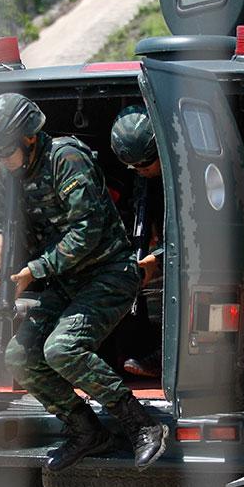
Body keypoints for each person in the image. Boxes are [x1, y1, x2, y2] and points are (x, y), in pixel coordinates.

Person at [0, 93, 167, 473]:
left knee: (63, 349)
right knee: (20, 357)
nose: (2, 160)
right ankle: (85, 429)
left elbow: (87, 232)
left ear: (28, 138)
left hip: (108, 273)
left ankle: (141, 424)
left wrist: (34, 272)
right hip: (65, 280)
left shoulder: (66, 157)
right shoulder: (10, 170)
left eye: (5, 151)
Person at [109, 105, 164, 378]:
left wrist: (160, 257)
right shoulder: (140, 177)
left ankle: (164, 354)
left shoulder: (184, 172)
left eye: (145, 164)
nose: (139, 170)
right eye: (133, 166)